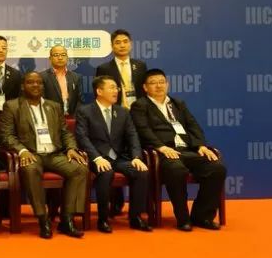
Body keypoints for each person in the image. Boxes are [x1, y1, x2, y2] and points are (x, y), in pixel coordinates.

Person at [131, 69, 226, 231]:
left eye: (162, 82)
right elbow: (143, 130)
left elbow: (193, 126)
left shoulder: (177, 104)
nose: (158, 86)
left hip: (187, 150)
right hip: (163, 153)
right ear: (145, 87)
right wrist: (161, 147)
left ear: (167, 84)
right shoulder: (140, 105)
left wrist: (201, 146)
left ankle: (202, 216)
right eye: (153, 83)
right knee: (177, 170)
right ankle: (183, 218)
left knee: (217, 168)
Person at [0, 72, 88, 239]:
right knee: (31, 169)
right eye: (30, 82)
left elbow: (65, 132)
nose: (35, 85)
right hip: (31, 154)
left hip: (54, 154)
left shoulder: (54, 106)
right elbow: (6, 135)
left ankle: (67, 219)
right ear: (23, 86)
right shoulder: (12, 106)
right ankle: (43, 219)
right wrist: (22, 150)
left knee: (80, 169)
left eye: (39, 82)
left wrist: (71, 148)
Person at [74, 76, 152, 233]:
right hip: (96, 158)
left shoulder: (122, 112)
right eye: (111, 87)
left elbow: (132, 136)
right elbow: (82, 138)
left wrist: (137, 157)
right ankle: (103, 219)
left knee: (141, 171)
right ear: (99, 91)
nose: (116, 91)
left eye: (116, 88)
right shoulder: (85, 111)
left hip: (118, 158)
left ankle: (136, 217)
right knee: (106, 172)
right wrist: (97, 158)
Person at [95, 29, 146, 215]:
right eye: (117, 42)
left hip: (138, 116)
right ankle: (116, 202)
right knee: (113, 155)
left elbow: (144, 92)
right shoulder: (104, 68)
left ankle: (140, 206)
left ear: (130, 44)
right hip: (115, 117)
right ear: (112, 46)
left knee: (137, 156)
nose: (122, 45)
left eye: (125, 41)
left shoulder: (140, 66)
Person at [40, 45, 82, 117]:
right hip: (51, 117)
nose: (60, 58)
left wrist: (75, 117)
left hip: (72, 118)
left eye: (63, 55)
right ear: (50, 58)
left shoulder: (76, 77)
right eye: (56, 55)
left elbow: (79, 100)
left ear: (67, 58)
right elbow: (42, 100)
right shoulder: (42, 76)